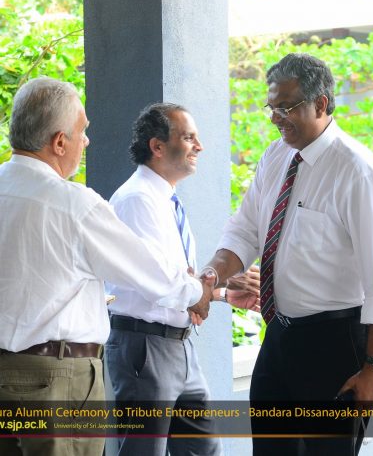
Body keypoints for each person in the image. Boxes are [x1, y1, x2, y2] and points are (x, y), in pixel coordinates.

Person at [202, 53, 373, 455]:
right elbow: (244, 231)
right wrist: (211, 274)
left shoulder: (358, 170)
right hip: (279, 337)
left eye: (286, 107)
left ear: (321, 104)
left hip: (335, 343)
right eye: (271, 107)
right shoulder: (275, 156)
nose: (276, 118)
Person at [0, 77, 213, 456]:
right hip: (58, 379)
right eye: (82, 131)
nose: (86, 142)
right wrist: (199, 292)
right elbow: (152, 274)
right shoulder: (74, 204)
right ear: (59, 142)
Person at [104, 103, 260, 456]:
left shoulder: (166, 200)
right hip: (145, 347)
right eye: (189, 138)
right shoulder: (137, 200)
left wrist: (219, 292)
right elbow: (161, 282)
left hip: (179, 345)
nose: (199, 147)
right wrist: (202, 290)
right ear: (157, 146)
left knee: (203, 450)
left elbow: (176, 282)